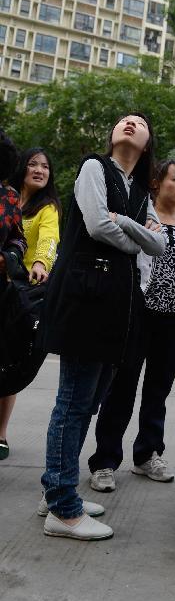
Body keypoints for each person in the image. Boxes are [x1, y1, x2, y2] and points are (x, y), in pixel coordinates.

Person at [39, 113, 166, 541]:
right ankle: (62, 506)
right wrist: (136, 236)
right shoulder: (94, 168)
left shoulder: (141, 191)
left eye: (139, 123)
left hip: (115, 306)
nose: (129, 124)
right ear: (112, 134)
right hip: (84, 299)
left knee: (88, 400)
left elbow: (161, 243)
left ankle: (55, 491)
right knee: (73, 401)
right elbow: (95, 224)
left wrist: (125, 224)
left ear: (147, 143)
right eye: (123, 121)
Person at [88, 159, 175, 491]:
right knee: (121, 387)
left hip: (173, 317)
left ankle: (148, 453)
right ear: (156, 183)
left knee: (158, 389)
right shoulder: (140, 212)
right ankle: (105, 461)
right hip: (137, 311)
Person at [0, 148, 61, 458]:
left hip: (21, 292)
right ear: (21, 167)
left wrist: (41, 263)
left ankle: (1, 434)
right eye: (34, 164)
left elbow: (50, 239)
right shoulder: (6, 197)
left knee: (8, 360)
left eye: (46, 166)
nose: (40, 170)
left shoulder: (47, 208)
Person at [0, 131, 27, 461]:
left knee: (3, 364)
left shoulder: (8, 196)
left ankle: (1, 434)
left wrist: (6, 259)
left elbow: (18, 240)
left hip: (0, 293)